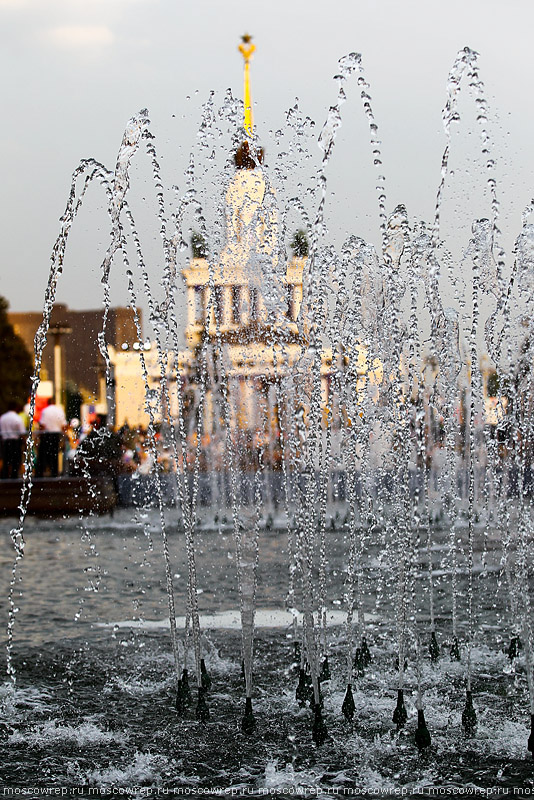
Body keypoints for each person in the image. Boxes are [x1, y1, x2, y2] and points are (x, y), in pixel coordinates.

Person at [35, 398, 67, 478]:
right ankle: (54, 473)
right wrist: (63, 437)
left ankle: (40, 474)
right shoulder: (59, 411)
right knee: (54, 455)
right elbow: (63, 426)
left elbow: (42, 425)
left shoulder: (45, 411)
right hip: (56, 435)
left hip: (46, 435)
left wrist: (38, 436)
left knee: (42, 455)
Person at [0, 402, 26, 478]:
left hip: (5, 441)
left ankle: (5, 476)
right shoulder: (17, 418)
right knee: (15, 460)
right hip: (15, 442)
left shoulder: (3, 417)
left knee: (6, 460)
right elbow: (22, 432)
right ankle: (14, 476)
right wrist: (24, 442)